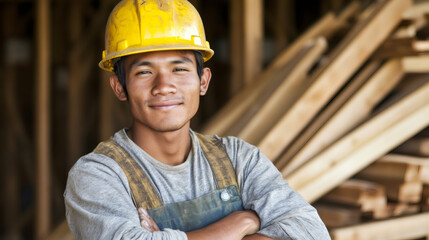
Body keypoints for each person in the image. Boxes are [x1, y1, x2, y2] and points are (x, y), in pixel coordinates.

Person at [64, 0, 330, 239]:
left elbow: (311, 232)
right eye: (144, 72)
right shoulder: (97, 175)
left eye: (179, 69)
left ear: (203, 81)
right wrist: (242, 221)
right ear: (119, 87)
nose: (164, 86)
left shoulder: (239, 159)